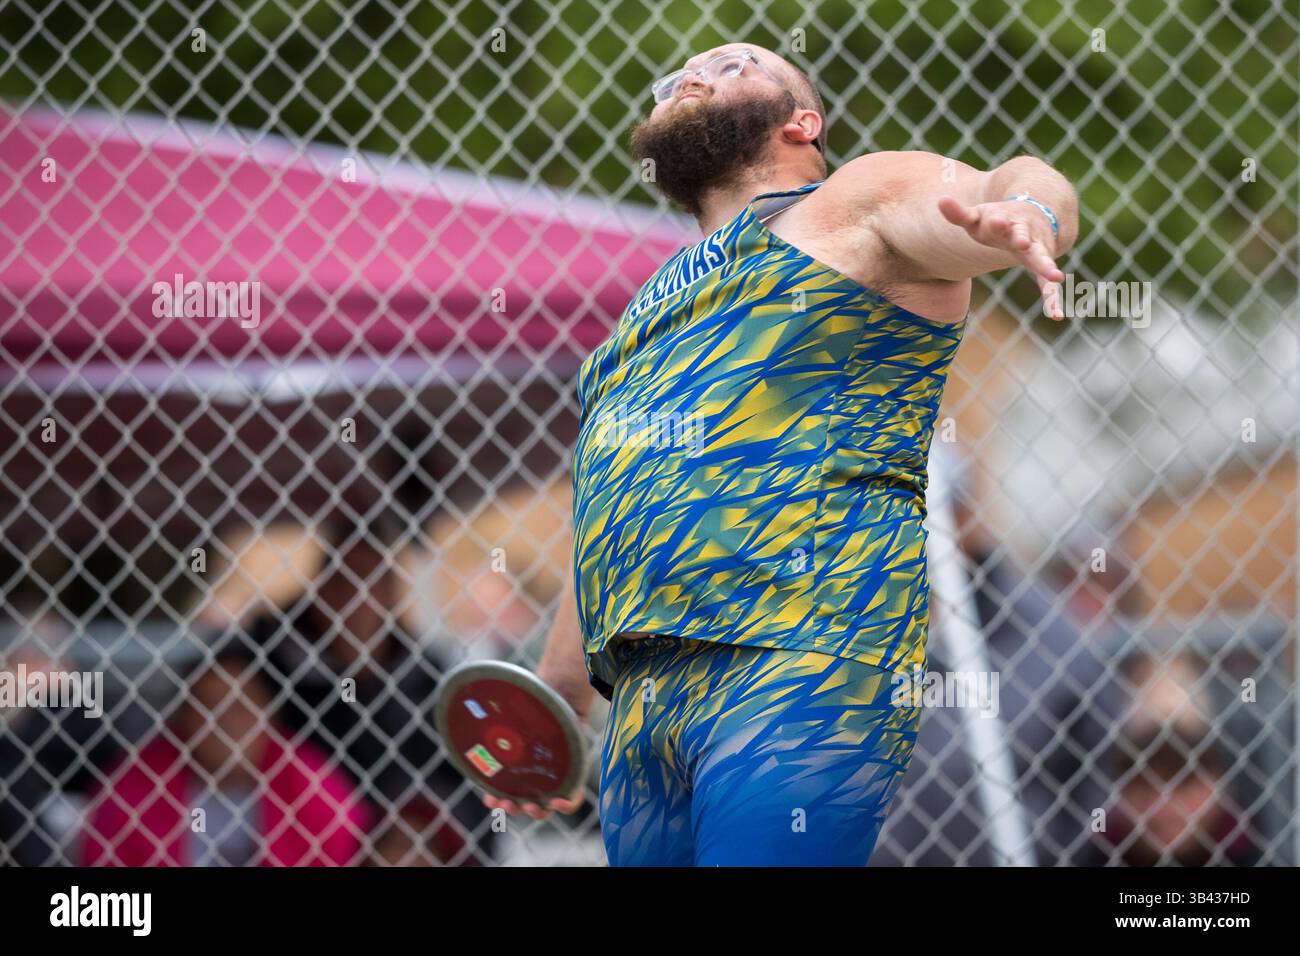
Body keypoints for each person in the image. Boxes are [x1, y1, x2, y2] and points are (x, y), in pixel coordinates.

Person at [484, 42, 1078, 866]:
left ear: (805, 120)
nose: (693, 74)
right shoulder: (640, 323)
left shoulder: (854, 205)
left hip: (799, 655)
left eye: (732, 65)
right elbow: (617, 515)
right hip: (644, 696)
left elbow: (1009, 181)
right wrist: (554, 695)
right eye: (678, 76)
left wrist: (1027, 214)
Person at [82, 645, 370, 866]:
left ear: (269, 715)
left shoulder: (313, 787)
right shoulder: (134, 787)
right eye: (209, 707)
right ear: (183, 720)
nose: (226, 722)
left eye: (242, 706)